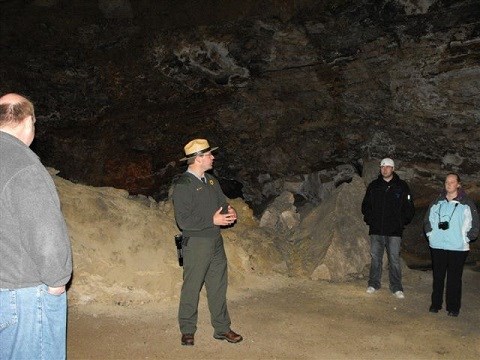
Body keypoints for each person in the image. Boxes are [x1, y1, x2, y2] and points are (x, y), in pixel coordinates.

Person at [0, 93, 73, 359]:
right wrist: (57, 280)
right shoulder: (24, 165)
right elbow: (45, 233)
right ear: (29, 121)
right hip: (23, 295)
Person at [172, 138, 242, 346]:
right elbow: (183, 220)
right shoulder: (184, 185)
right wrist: (211, 220)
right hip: (196, 244)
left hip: (215, 242)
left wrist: (230, 210)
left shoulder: (211, 181)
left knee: (218, 286)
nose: (213, 157)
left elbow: (222, 203)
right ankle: (187, 329)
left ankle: (222, 328)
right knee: (192, 287)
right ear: (198, 159)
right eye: (209, 154)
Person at [424, 173, 479, 316]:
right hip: (438, 245)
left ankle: (453, 307)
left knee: (454, 278)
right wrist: (431, 235)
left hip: (457, 246)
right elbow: (428, 219)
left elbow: (474, 224)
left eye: (452, 182)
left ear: (458, 184)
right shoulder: (437, 201)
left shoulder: (466, 203)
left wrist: (465, 238)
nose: (449, 184)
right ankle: (436, 304)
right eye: (447, 182)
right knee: (438, 276)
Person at [361, 158, 415, 298]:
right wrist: (370, 220)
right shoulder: (374, 186)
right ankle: (373, 283)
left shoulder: (402, 186)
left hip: (394, 231)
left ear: (393, 169)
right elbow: (365, 206)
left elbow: (409, 208)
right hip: (377, 230)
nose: (385, 169)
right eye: (382, 167)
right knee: (376, 258)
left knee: (394, 259)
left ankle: (396, 287)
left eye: (388, 167)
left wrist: (401, 222)